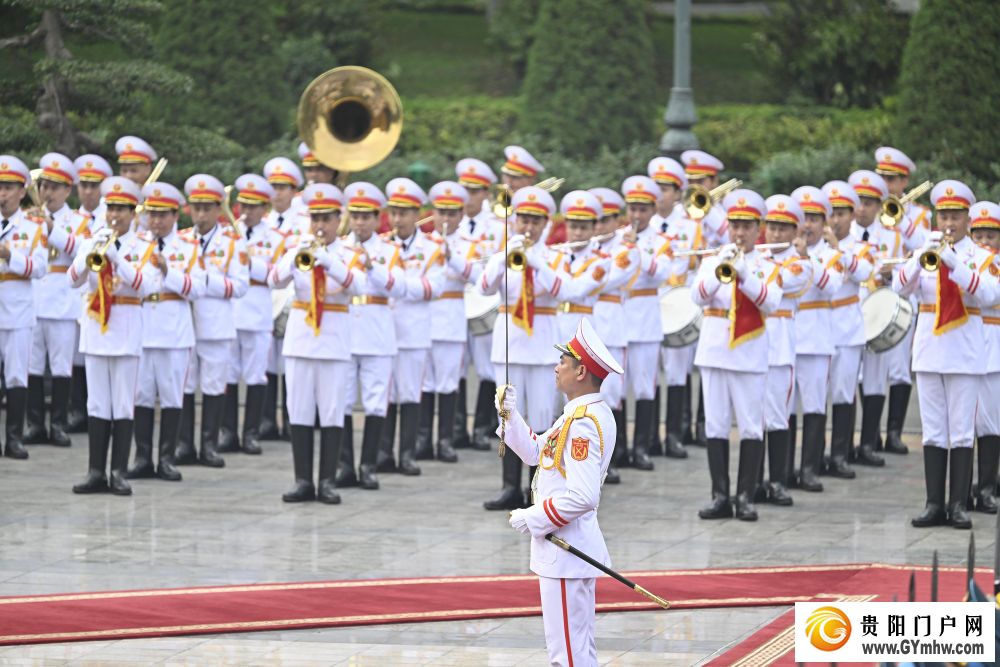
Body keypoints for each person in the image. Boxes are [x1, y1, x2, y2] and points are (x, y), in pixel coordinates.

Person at [503, 318, 622, 667]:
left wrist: (533, 517)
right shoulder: (579, 414)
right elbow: (538, 453)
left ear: (581, 371)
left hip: (565, 549)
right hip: (566, 551)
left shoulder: (583, 422)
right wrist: (511, 416)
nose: (556, 368)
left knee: (567, 656)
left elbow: (584, 496)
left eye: (563, 363)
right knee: (577, 650)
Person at [894, 181, 1000, 529]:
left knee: (961, 432)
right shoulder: (928, 249)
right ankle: (934, 503)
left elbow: (987, 295)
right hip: (928, 352)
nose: (949, 223)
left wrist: (955, 263)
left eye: (955, 216)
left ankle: (958, 505)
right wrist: (921, 256)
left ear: (968, 219)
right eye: (944, 216)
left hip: (965, 354)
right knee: (934, 432)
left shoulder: (983, 258)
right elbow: (899, 286)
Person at [479, 186, 582, 510]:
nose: (528, 226)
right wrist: (502, 258)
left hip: (541, 345)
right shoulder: (503, 254)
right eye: (523, 218)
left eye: (535, 220)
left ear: (546, 223)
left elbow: (562, 290)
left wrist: (535, 261)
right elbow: (484, 287)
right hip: (509, 343)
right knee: (508, 414)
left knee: (540, 418)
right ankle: (510, 487)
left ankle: (538, 487)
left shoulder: (555, 256)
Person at [268, 183, 367, 504]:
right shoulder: (297, 247)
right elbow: (275, 279)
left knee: (332, 412)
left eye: (327, 218)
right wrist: (297, 255)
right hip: (300, 340)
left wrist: (329, 261)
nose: (321, 225)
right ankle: (302, 481)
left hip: (335, 341)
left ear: (339, 219)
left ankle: (327, 481)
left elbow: (359, 286)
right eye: (316, 218)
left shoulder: (348, 253)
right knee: (299, 411)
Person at [691, 189, 782, 521]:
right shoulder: (712, 259)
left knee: (750, 427)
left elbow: (771, 302)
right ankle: (719, 495)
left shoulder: (767, 265)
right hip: (714, 352)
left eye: (746, 226)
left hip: (748, 355)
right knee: (715, 426)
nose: (740, 233)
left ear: (758, 228)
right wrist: (720, 268)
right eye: (735, 226)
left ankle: (745, 496)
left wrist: (744, 273)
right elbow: (696, 297)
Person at [70, 176, 160, 494]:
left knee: (122, 404)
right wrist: (90, 251)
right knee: (97, 403)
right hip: (96, 329)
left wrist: (117, 258)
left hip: (126, 330)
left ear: (133, 213)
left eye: (122, 209)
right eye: (111, 208)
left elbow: (146, 286)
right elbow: (72, 279)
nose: (115, 215)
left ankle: (118, 471)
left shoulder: (144, 247)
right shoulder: (91, 239)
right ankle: (96, 471)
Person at [128, 182, 204, 481]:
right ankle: (142, 457)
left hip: (174, 329)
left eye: (162, 214)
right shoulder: (135, 244)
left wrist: (168, 272)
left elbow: (197, 288)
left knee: (172, 395)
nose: (156, 221)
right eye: (151, 214)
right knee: (141, 394)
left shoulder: (189, 247)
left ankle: (167, 459)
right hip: (143, 325)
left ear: (175, 215)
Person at [175, 174, 248, 468]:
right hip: (186, 323)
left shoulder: (232, 242)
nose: (202, 215)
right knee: (185, 385)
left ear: (219, 209)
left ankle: (209, 445)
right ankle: (183, 444)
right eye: (197, 208)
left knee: (215, 385)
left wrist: (207, 282)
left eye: (208, 208)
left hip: (216, 324)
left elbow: (240, 286)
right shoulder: (180, 240)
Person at [339, 181, 406, 487]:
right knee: (340, 400)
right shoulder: (337, 248)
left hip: (378, 334)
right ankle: (343, 466)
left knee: (376, 402)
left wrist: (373, 269)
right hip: (343, 333)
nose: (360, 222)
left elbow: (401, 287)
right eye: (356, 216)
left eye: (366, 216)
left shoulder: (389, 249)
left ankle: (368, 466)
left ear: (377, 218)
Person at [380, 177, 445, 482]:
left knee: (409, 393)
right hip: (383, 329)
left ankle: (406, 453)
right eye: (393, 212)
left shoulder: (431, 247)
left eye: (403, 213)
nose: (397, 219)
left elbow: (433, 287)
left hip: (414, 330)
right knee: (384, 393)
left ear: (416, 214)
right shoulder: (381, 245)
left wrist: (398, 286)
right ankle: (383, 452)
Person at [24, 153, 90, 448]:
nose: (47, 192)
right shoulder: (26, 219)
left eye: (54, 187)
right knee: (33, 365)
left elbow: (81, 251)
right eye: (43, 185)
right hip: (35, 298)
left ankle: (59, 425)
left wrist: (51, 227)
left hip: (63, 301)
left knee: (62, 366)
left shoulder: (78, 220)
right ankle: (34, 423)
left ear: (67, 190)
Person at [875, 147, 931, 455]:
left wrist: (903, 216)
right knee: (868, 369)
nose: (886, 185)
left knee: (898, 366)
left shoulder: (920, 214)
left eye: (892, 179)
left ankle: (894, 432)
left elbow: (923, 247)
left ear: (904, 181)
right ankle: (870, 435)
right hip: (873, 293)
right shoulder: (869, 208)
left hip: (903, 296)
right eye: (882, 177)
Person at [424, 181, 485, 465]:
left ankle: (445, 440)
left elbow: (480, 279)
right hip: (423, 319)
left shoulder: (470, 246)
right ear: (433, 213)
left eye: (452, 213)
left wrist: (454, 258)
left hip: (450, 318)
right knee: (423, 383)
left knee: (448, 383)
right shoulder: (421, 242)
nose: (445, 219)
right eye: (441, 212)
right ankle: (423, 439)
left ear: (461, 215)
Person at [789, 186, 845, 491]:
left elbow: (831, 284)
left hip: (817, 339)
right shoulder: (782, 248)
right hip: (787, 338)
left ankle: (809, 468)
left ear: (824, 222)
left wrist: (806, 257)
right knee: (782, 411)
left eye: (814, 218)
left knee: (813, 406)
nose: (807, 224)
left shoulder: (831, 253)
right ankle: (782, 471)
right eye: (803, 217)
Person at [758, 195, 812, 505]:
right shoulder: (757, 257)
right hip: (751, 347)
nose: (776, 235)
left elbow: (783, 282)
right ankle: (752, 482)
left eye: (783, 229)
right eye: (772, 227)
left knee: (777, 416)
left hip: (779, 347)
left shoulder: (799, 264)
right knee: (754, 418)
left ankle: (777, 481)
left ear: (794, 231)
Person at [223, 174, 280, 456]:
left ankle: (252, 433)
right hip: (233, 309)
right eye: (243, 204)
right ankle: (228, 432)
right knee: (229, 373)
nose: (247, 211)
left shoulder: (274, 238)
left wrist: (249, 260)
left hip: (258, 310)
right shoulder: (229, 234)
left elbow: (275, 275)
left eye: (254, 206)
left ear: (264, 208)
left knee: (256, 375)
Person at [649, 157, 703, 457]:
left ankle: (674, 435)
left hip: (677, 303)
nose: (659, 193)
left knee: (677, 372)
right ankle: (650, 439)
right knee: (648, 373)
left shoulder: (690, 227)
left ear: (678, 193)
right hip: (649, 302)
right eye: (655, 186)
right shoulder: (645, 224)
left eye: (665, 188)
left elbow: (695, 266)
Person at [821, 180, 874, 480]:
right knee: (817, 396)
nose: (835, 220)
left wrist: (839, 250)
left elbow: (865, 273)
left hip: (847, 327)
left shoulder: (860, 247)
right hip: (821, 327)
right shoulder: (812, 246)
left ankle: (840, 454)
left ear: (852, 215)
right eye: (831, 213)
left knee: (843, 393)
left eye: (841, 213)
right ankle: (814, 455)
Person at [620, 175, 674, 469]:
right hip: (618, 320)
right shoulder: (616, 236)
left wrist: (636, 249)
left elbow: (662, 272)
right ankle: (616, 450)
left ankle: (641, 447)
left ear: (653, 210)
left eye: (643, 209)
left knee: (644, 387)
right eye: (633, 209)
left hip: (645, 318)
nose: (637, 216)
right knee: (614, 389)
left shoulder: (662, 241)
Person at [589, 187, 638, 483]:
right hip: (586, 326)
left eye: (606, 220)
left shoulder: (625, 248)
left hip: (612, 329)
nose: (599, 227)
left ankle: (612, 460)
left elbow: (612, 277)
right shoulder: (583, 246)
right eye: (596, 221)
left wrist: (586, 276)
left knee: (610, 398)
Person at [0, 156, 47, 460]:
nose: (2, 193)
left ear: (21, 191)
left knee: (17, 375)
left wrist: (10, 257)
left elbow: (40, 267)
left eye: (8, 187)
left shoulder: (32, 227)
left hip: (17, 310)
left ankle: (14, 438)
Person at [456, 158, 504, 451]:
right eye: (465, 190)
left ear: (486, 193)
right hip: (456, 303)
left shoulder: (498, 227)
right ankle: (458, 429)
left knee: (488, 368)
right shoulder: (449, 222)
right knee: (457, 368)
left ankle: (484, 427)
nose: (468, 197)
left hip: (486, 300)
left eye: (474, 191)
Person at [260, 156, 308, 441]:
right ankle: (267, 419)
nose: (277, 192)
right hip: (269, 295)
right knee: (269, 362)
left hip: (294, 296)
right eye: (273, 186)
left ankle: (292, 418)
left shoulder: (304, 223)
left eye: (283, 187)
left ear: (294, 191)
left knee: (290, 361)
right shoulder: (262, 221)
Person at [67, 154, 112, 433]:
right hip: (75, 293)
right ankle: (77, 409)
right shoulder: (71, 218)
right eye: (83, 184)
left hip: (104, 294)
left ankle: (98, 412)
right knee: (76, 356)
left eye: (93, 185)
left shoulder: (112, 217)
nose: (87, 191)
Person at [969, 202, 1000, 513]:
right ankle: (961, 490)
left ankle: (988, 487)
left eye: (991, 236)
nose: (985, 243)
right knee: (963, 423)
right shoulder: (962, 264)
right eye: (979, 236)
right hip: (965, 348)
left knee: (991, 422)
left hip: (994, 350)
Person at [680, 149, 728, 247]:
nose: (695, 187)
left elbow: (730, 239)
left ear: (714, 181)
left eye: (700, 182)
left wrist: (707, 210)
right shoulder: (678, 210)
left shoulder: (723, 211)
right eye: (690, 181)